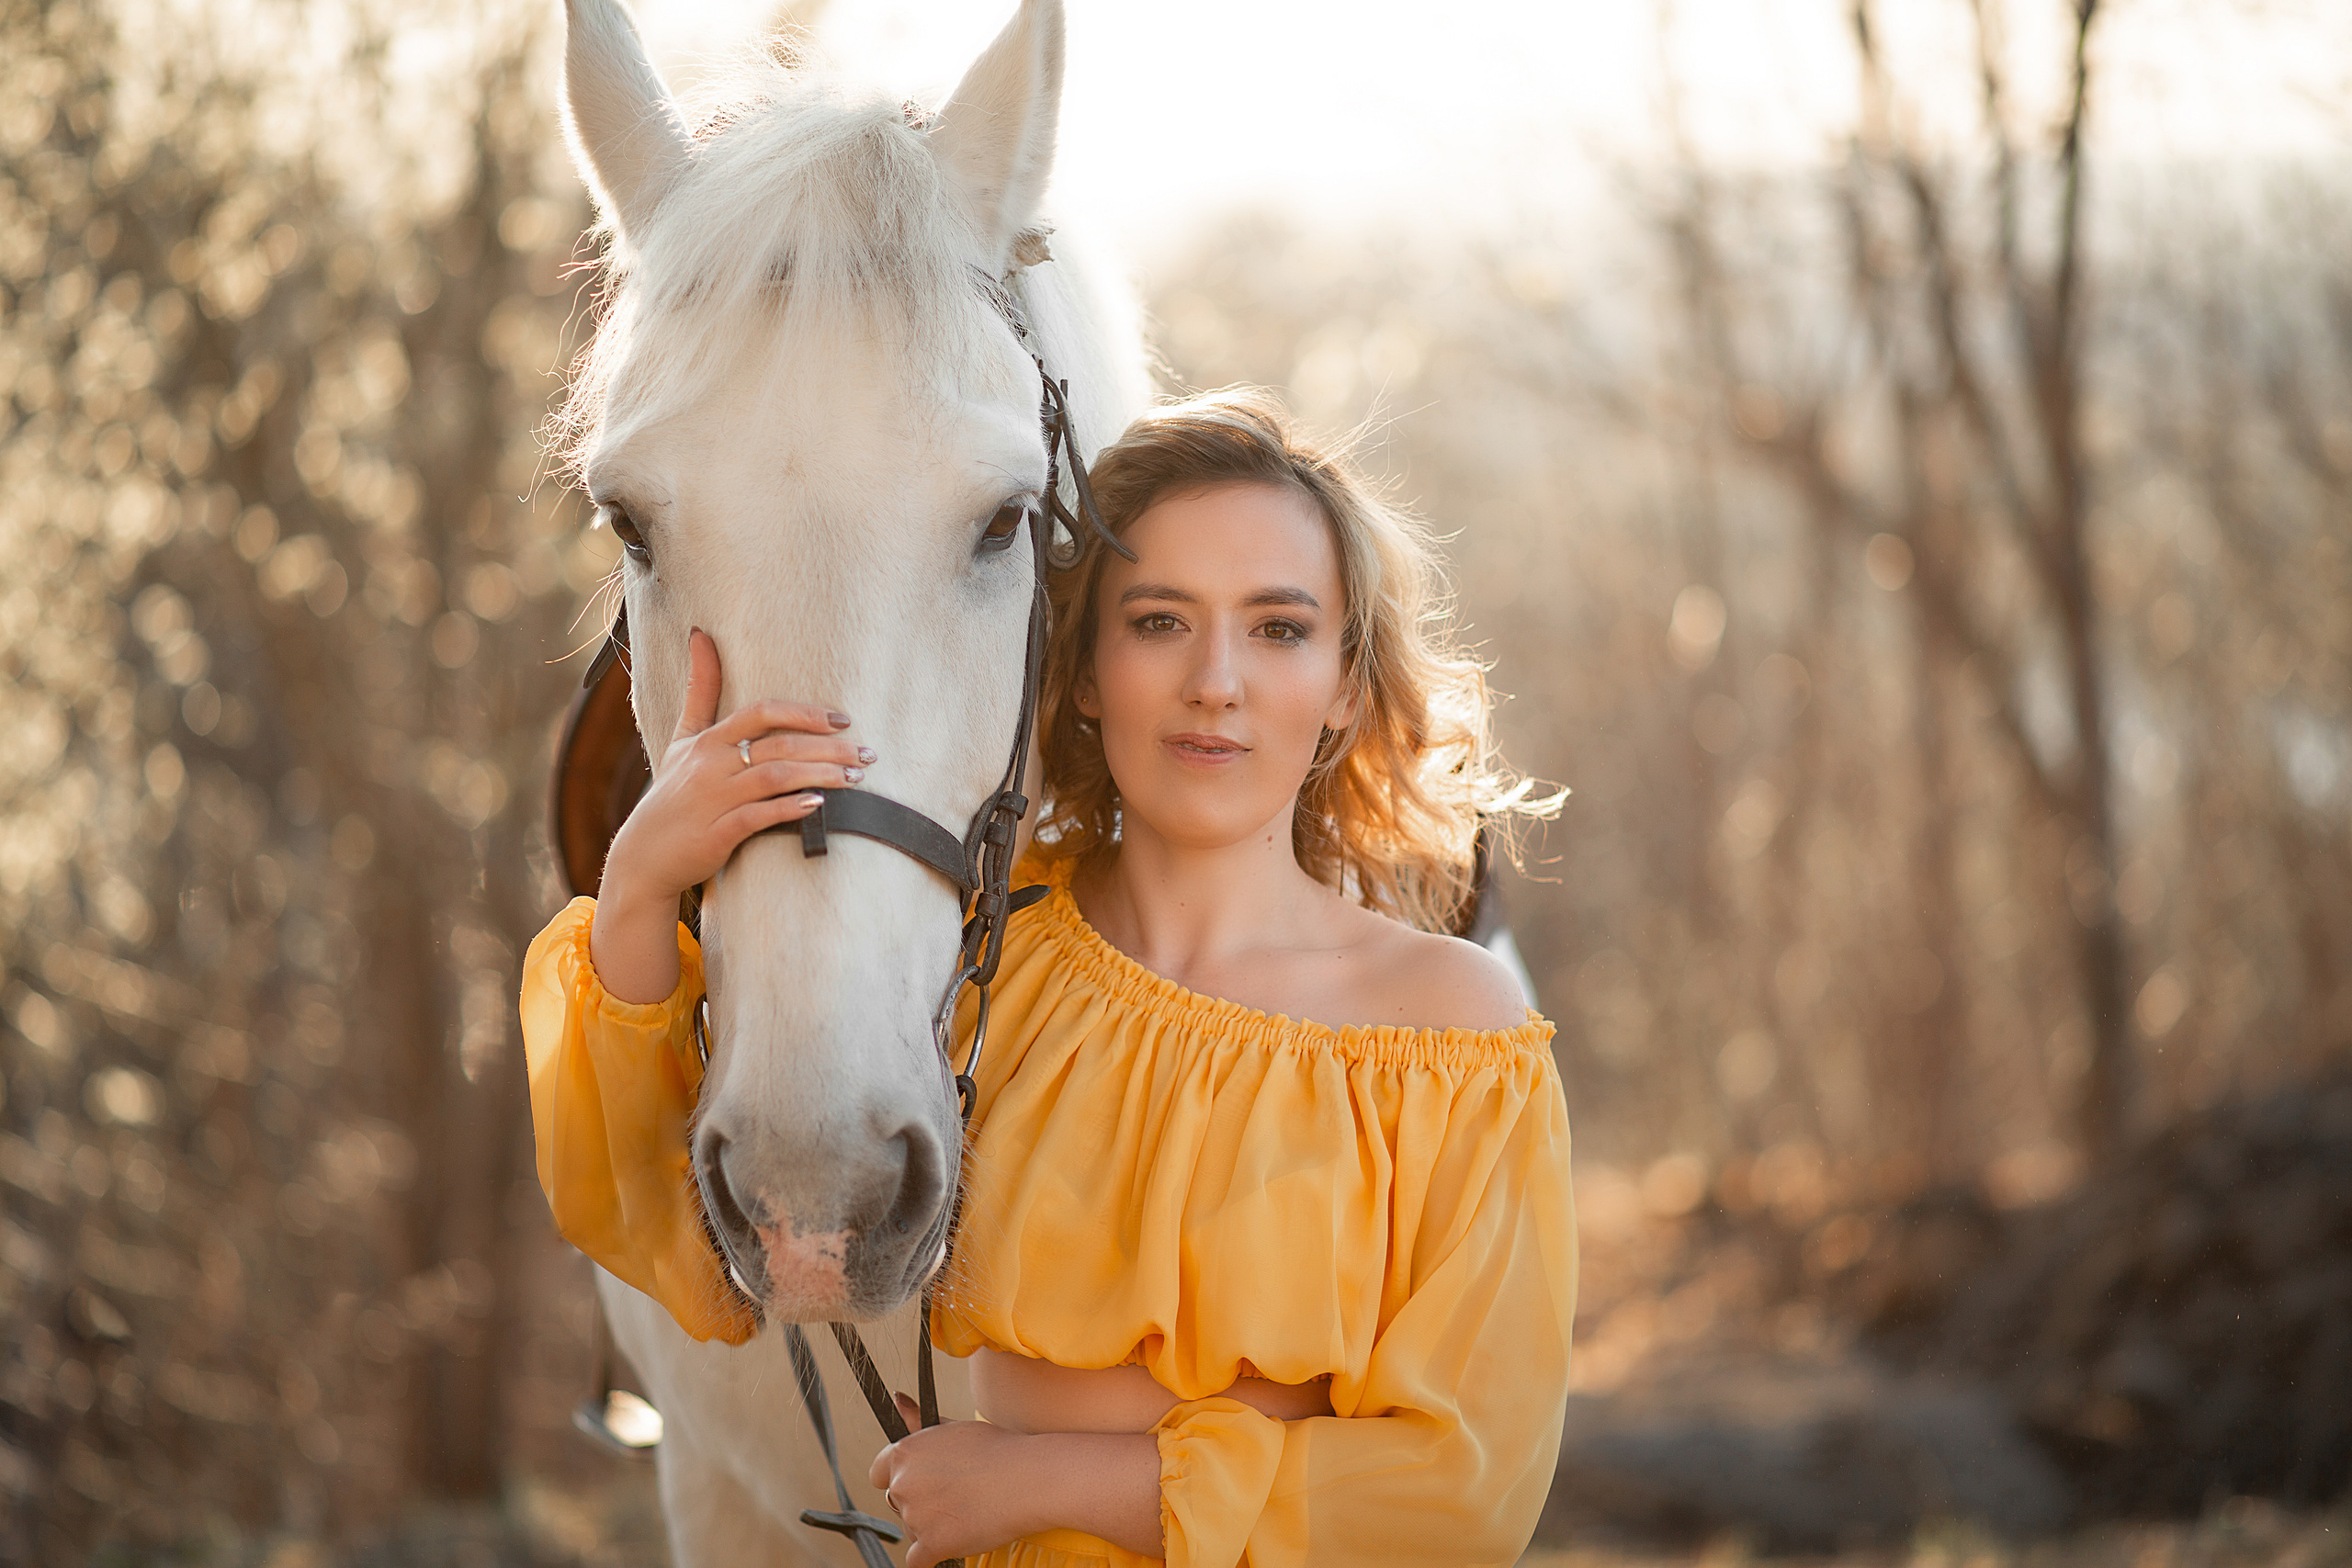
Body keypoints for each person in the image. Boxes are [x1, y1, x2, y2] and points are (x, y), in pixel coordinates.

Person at [520, 389, 1577, 1567]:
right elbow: (662, 1220)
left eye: (1277, 629)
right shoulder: (986, 972)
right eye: (1159, 621)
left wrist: (1036, 1483)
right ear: (1079, 671)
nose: (1215, 680)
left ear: (1342, 684)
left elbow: (1461, 1491)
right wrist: (639, 879)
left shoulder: (1449, 1036)